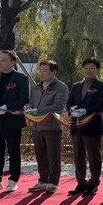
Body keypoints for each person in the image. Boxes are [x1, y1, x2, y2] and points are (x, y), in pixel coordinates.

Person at [0, 50, 30, 193]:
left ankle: (13, 180)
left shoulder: (21, 78)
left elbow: (24, 98)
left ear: (13, 62)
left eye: (3, 60)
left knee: (13, 150)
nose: (0, 63)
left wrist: (7, 107)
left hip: (12, 120)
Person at [26, 60, 69, 194]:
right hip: (37, 125)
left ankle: (53, 182)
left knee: (53, 155)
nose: (42, 73)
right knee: (40, 155)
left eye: (45, 70)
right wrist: (30, 109)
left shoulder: (61, 87)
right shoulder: (37, 87)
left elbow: (58, 106)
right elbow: (32, 103)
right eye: (40, 70)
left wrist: (38, 111)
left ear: (53, 72)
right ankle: (43, 180)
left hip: (52, 125)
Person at [66, 57, 103, 196]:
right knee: (78, 156)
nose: (88, 71)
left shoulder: (101, 86)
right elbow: (69, 102)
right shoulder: (76, 86)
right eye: (86, 68)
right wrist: (71, 109)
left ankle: (93, 183)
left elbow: (101, 105)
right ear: (82, 70)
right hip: (76, 125)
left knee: (94, 156)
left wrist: (86, 111)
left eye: (92, 68)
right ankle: (81, 183)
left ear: (97, 70)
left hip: (92, 125)